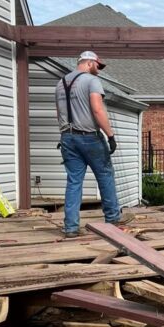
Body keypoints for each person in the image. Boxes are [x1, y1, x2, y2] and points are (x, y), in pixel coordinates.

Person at [56, 50, 122, 238]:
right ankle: (112, 219)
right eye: (98, 66)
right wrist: (110, 135)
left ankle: (71, 227)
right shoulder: (91, 81)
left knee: (74, 181)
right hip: (89, 137)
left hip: (67, 137)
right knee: (105, 175)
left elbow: (58, 114)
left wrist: (66, 134)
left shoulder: (60, 84)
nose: (99, 70)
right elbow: (97, 109)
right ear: (89, 63)